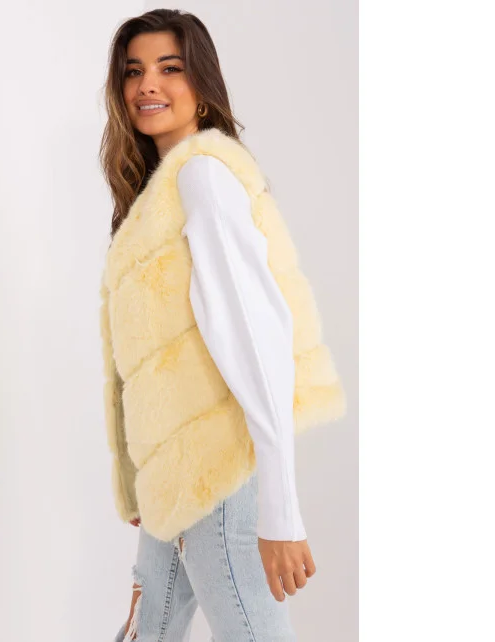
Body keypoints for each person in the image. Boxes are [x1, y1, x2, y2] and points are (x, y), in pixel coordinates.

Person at [98, 9, 346, 641]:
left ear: (202, 86)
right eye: (133, 71)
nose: (147, 85)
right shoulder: (159, 194)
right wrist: (146, 478)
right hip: (178, 479)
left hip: (220, 480)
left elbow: (255, 337)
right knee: (147, 630)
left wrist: (280, 512)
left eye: (169, 68)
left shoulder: (204, 178)